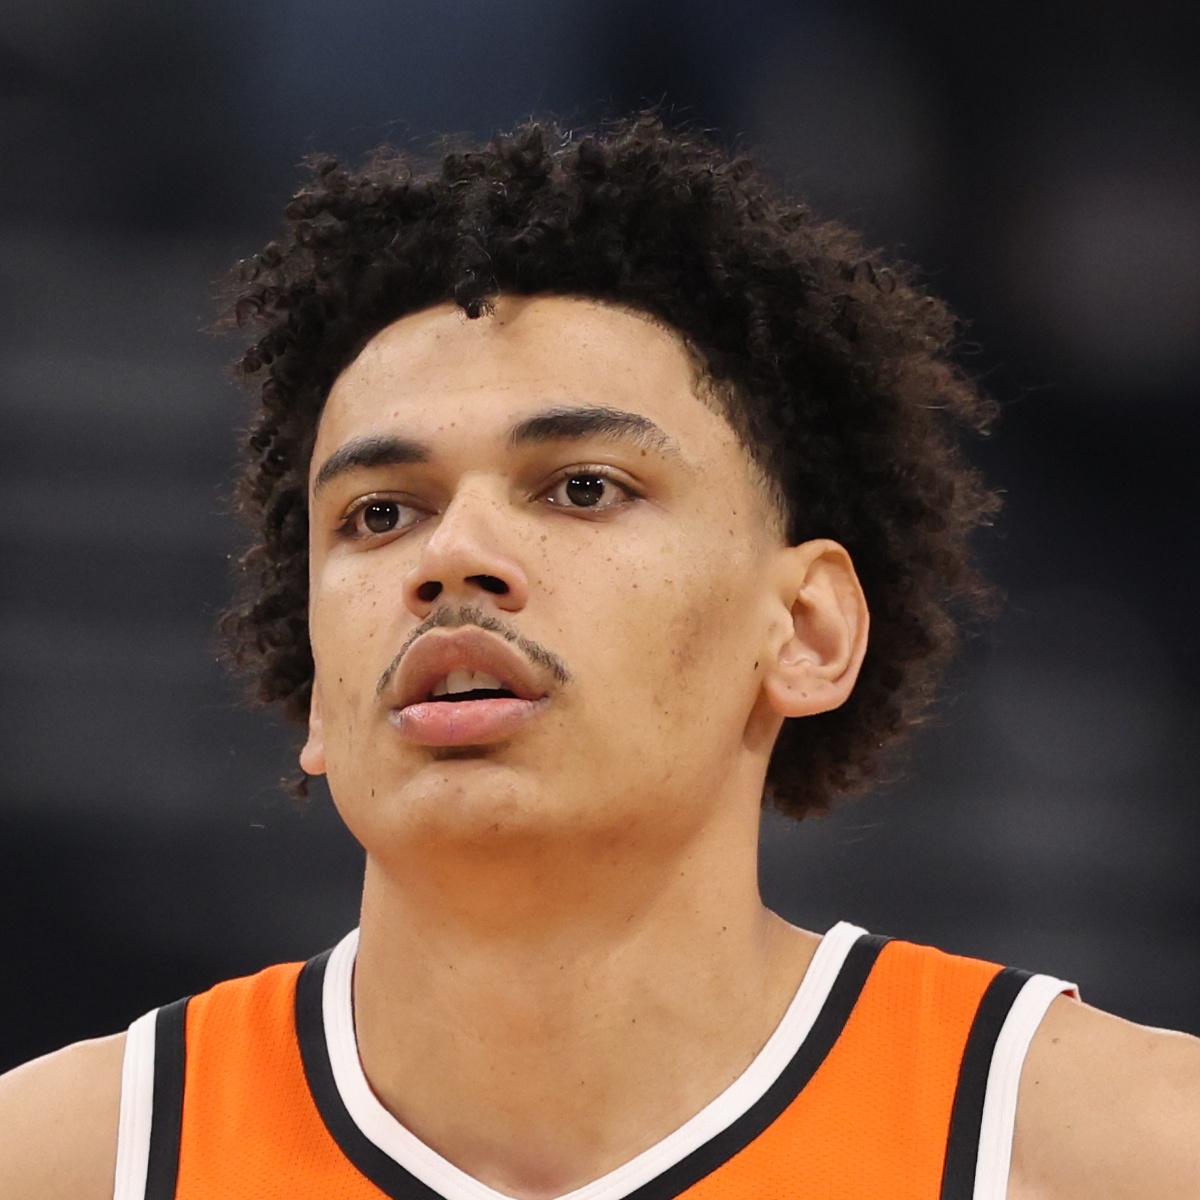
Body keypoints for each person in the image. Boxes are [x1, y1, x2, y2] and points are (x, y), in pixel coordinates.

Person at [1, 113, 1196, 1200]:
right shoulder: (65, 1163)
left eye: (582, 488)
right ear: (316, 686)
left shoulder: (1113, 1150)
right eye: (380, 513)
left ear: (806, 630)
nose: (452, 557)